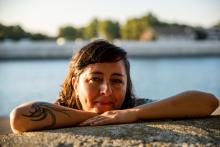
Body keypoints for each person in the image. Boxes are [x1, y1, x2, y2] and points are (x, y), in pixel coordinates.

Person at [10, 40, 219, 134]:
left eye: (117, 80)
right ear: (75, 83)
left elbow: (208, 102)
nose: (107, 90)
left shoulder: (135, 108)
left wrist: (131, 114)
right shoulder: (61, 108)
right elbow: (20, 117)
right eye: (94, 79)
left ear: (127, 84)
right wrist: (108, 117)